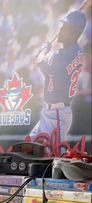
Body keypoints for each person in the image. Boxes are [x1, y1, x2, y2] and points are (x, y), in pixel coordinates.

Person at [30, 10, 87, 145]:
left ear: (74, 32)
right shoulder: (77, 51)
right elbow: (49, 69)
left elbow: (40, 61)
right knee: (29, 146)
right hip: (54, 112)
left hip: (57, 114)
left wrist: (44, 49)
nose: (60, 29)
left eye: (65, 27)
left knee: (52, 156)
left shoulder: (62, 55)